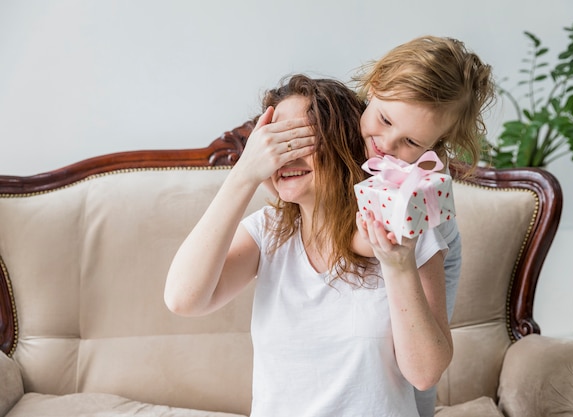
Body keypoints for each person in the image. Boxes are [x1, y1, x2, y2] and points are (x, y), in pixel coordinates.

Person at [164, 74, 453, 417]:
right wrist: (244, 174)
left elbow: (425, 374)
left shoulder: (401, 230)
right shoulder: (267, 232)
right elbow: (183, 299)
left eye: (299, 140)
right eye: (274, 144)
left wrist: (398, 264)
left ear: (343, 142)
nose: (284, 157)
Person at [351, 35, 496, 417]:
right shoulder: (354, 142)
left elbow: (424, 370)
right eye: (384, 119)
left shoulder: (420, 202)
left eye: (411, 141)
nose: (386, 144)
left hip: (398, 398)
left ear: (437, 144)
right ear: (374, 82)